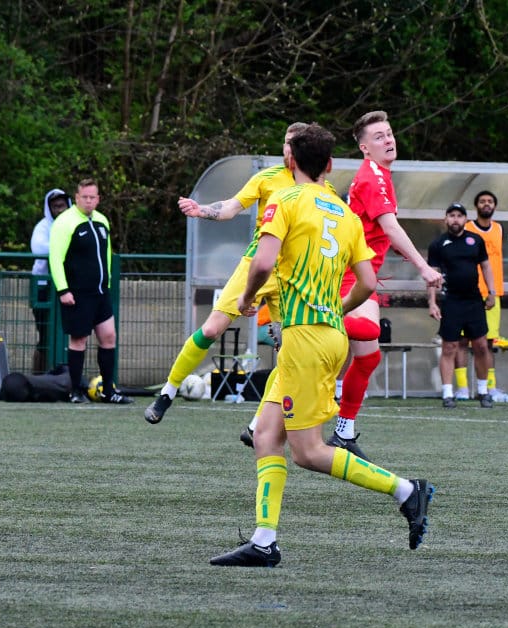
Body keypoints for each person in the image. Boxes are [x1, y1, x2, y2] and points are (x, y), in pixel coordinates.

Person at [209, 123, 434, 567]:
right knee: (265, 436)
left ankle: (407, 490)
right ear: (330, 165)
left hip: (305, 339)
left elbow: (263, 263)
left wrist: (247, 297)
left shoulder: (285, 201)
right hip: (328, 334)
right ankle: (264, 541)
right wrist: (335, 309)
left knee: (308, 452)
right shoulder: (345, 214)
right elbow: (367, 281)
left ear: (291, 161)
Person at [144, 122, 338, 438]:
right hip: (257, 262)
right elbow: (231, 207)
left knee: (289, 352)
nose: (288, 149)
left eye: (294, 143)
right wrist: (202, 210)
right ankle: (168, 391)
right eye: (285, 142)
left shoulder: (324, 192)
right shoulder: (267, 178)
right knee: (212, 329)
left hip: (292, 275)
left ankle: (256, 424)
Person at [327, 111, 443, 456]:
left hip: (361, 273)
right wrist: (423, 267)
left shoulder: (378, 175)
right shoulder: (373, 177)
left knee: (366, 357)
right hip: (351, 275)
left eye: (389, 133)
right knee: (362, 336)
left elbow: (376, 228)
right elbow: (390, 227)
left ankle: (344, 431)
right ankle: (311, 318)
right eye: (379, 137)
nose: (388, 140)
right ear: (364, 147)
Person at [48, 178, 133, 405]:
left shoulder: (102, 221)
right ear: (76, 198)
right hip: (77, 294)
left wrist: (107, 284)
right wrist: (63, 290)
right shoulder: (65, 222)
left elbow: (106, 256)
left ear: (98, 199)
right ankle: (75, 391)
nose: (88, 201)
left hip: (100, 293)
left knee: (109, 337)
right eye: (84, 197)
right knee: (79, 340)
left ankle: (108, 391)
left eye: (92, 197)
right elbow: (55, 258)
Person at [427, 202, 497, 409]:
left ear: (465, 219)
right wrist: (432, 302)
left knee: (481, 345)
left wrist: (492, 292)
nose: (455, 219)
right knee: (449, 347)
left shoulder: (476, 240)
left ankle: (483, 391)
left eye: (459, 215)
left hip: (474, 301)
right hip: (451, 301)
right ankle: (448, 393)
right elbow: (432, 275)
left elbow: (486, 267)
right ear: (446, 219)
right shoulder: (438, 244)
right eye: (452, 215)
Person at [457, 189, 508, 402]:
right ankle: (462, 388)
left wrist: (492, 290)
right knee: (462, 341)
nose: (486, 204)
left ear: (495, 206)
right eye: (482, 201)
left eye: (490, 201)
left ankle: (490, 387)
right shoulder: (467, 228)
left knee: (488, 342)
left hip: (492, 293)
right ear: (476, 206)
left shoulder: (498, 229)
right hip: (468, 293)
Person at [29, 189, 71, 373]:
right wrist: (65, 248)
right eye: (55, 206)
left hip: (68, 286)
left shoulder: (74, 224)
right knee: (46, 334)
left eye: (62, 205)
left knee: (70, 333)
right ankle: (40, 374)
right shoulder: (43, 227)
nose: (59, 210)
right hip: (44, 288)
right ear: (49, 208)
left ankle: (67, 375)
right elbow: (39, 248)